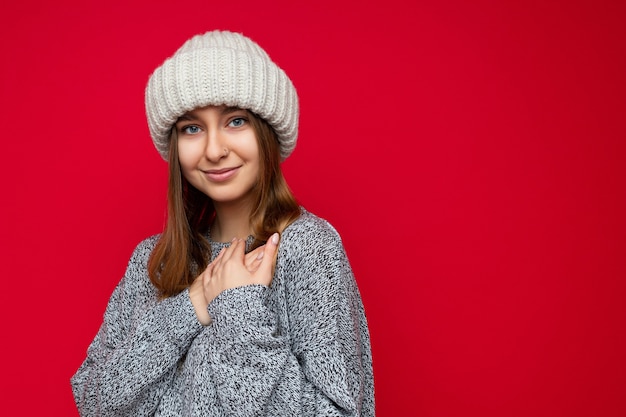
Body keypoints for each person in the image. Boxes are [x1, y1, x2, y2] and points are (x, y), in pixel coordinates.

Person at [71, 30, 374, 416]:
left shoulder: (309, 248)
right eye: (192, 128)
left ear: (267, 131)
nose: (215, 150)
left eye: (235, 120)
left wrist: (240, 310)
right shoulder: (154, 261)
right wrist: (192, 307)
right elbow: (94, 401)